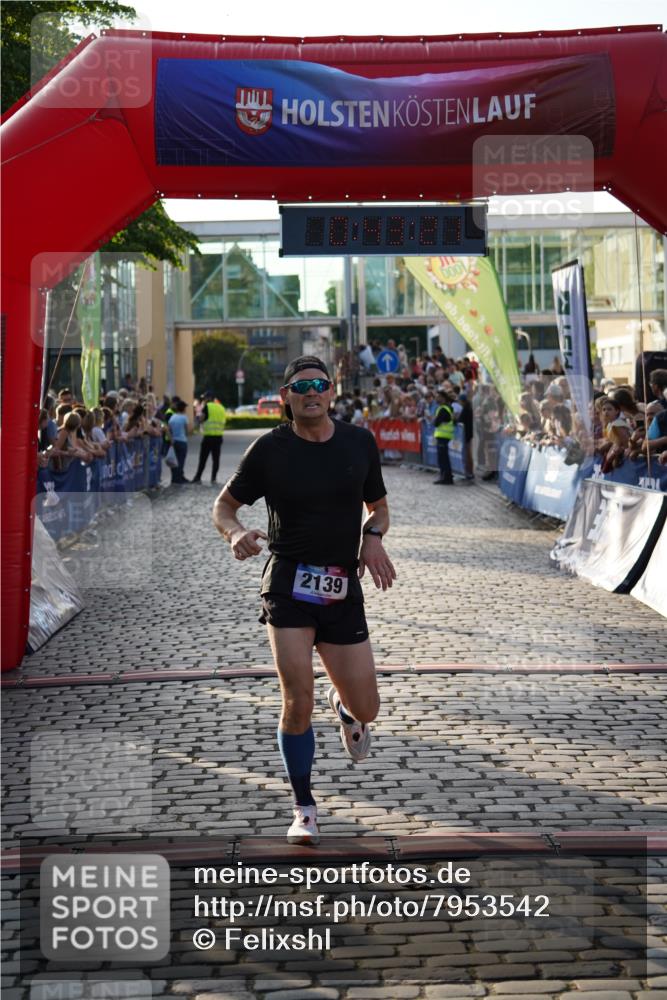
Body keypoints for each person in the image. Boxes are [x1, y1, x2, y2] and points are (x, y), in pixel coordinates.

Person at [212, 356, 396, 846]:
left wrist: (372, 536)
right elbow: (223, 506)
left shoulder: (359, 442)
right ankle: (304, 806)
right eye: (301, 386)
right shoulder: (269, 450)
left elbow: (378, 507)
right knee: (297, 698)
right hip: (288, 583)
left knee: (368, 707)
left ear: (331, 391)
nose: (311, 392)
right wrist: (233, 535)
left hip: (342, 587)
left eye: (319, 384)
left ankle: (348, 709)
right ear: (287, 396)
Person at [192, 391, 227, 484]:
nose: (203, 400)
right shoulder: (221, 407)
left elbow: (201, 419)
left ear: (208, 398)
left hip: (208, 437)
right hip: (218, 437)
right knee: (216, 459)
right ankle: (213, 478)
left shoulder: (207, 407)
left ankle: (198, 477)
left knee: (203, 458)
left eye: (204, 398)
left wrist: (197, 418)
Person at [432, 389, 455, 484]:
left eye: (437, 396)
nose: (436, 398)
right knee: (443, 458)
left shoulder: (443, 409)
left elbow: (436, 423)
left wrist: (434, 420)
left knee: (443, 459)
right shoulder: (447, 407)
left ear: (442, 398)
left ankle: (445, 478)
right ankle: (446, 477)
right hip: (445, 436)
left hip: (443, 436)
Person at [167, 399, 190, 484]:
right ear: (183, 409)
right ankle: (179, 479)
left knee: (174, 460)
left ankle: (174, 478)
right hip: (182, 441)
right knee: (181, 461)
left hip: (174, 441)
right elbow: (187, 430)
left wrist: (171, 439)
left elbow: (168, 429)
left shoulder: (173, 417)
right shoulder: (184, 417)